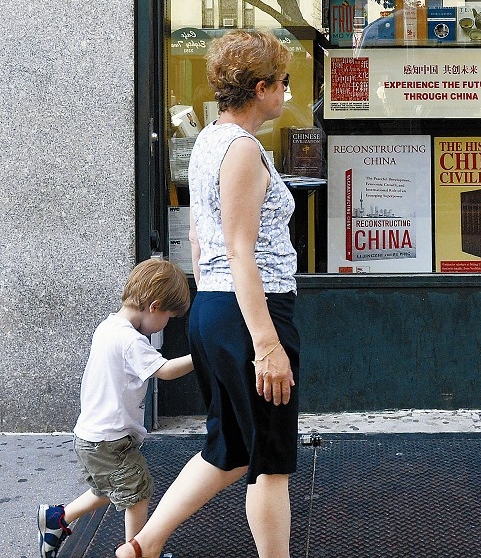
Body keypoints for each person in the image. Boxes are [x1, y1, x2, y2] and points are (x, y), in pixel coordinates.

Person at [116, 29, 300, 558]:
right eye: (283, 82)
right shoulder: (241, 149)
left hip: (219, 307)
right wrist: (266, 344)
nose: (286, 92)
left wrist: (212, 310)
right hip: (252, 312)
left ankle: (143, 546)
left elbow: (200, 239)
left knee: (229, 449)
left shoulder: (209, 141)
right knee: (269, 462)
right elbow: (241, 251)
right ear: (261, 88)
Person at [37, 258, 192, 558]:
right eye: (169, 317)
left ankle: (57, 518)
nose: (166, 324)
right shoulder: (130, 340)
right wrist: (201, 355)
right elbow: (165, 370)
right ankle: (137, 551)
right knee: (137, 492)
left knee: (109, 488)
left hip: (92, 436)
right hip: (109, 441)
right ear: (154, 306)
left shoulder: (108, 326)